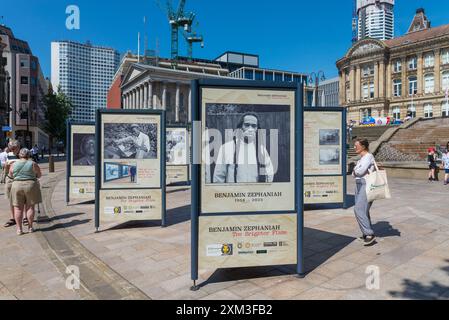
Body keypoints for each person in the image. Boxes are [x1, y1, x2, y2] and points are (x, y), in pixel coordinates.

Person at [213, 113, 274, 183]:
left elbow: (269, 173)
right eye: (247, 125)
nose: (250, 129)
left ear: (257, 129)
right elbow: (219, 176)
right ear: (240, 127)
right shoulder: (226, 148)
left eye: (253, 126)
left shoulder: (262, 150)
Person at [9, 148, 42, 235]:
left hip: (16, 186)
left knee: (18, 208)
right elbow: (39, 175)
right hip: (30, 185)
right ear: (29, 155)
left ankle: (19, 229)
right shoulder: (33, 163)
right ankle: (30, 227)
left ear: (19, 155)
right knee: (30, 207)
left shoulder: (14, 164)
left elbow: (11, 175)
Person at [352, 138, 377, 246]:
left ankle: (369, 234)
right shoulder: (361, 159)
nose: (354, 147)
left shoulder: (368, 157)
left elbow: (359, 171)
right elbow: (354, 173)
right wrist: (357, 171)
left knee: (358, 209)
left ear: (363, 146)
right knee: (364, 210)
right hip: (358, 184)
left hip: (366, 184)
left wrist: (356, 171)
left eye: (356, 145)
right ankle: (365, 233)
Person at [3, 140, 21, 228]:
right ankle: (13, 218)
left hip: (20, 180)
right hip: (10, 180)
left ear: (18, 147)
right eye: (11, 148)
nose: (13, 149)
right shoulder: (9, 155)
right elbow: (6, 168)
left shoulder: (23, 154)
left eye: (14, 148)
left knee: (23, 199)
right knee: (11, 200)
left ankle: (25, 217)